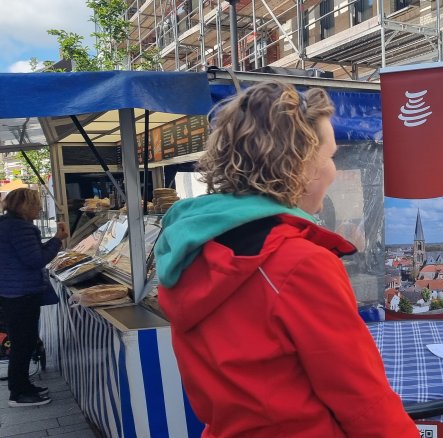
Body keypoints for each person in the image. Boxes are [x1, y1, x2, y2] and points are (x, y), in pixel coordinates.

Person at [154, 83, 417, 437]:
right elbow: (362, 400)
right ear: (301, 165)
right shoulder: (299, 262)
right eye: (330, 157)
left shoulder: (193, 247)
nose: (333, 170)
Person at [0, 188, 69, 407]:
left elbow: (31, 254)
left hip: (12, 292)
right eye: (36, 204)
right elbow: (35, 260)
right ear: (24, 206)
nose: (39, 208)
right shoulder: (20, 227)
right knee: (23, 343)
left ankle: (23, 385)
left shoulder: (7, 224)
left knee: (24, 341)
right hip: (21, 293)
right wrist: (58, 240)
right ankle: (18, 394)